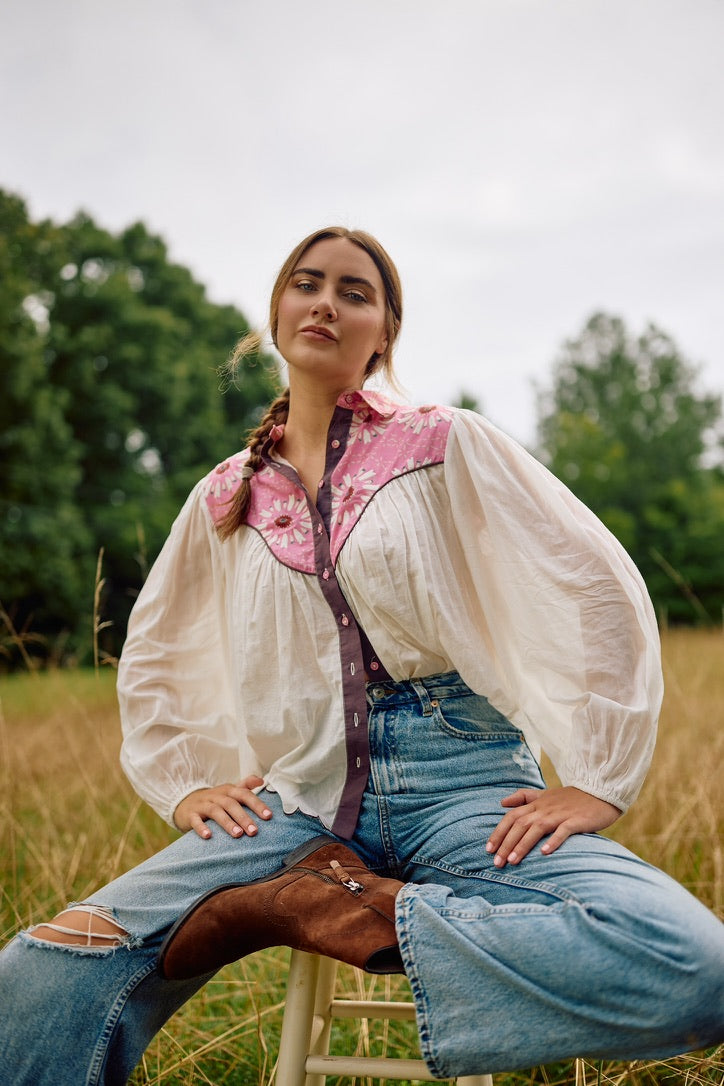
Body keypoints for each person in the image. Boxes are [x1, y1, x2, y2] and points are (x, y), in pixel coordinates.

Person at [1, 226, 722, 1085]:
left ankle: (363, 911)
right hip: (298, 805)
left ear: (383, 332)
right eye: (308, 284)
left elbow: (590, 578)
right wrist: (186, 774)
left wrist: (599, 776)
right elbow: (158, 645)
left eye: (355, 292)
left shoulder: (442, 442)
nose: (327, 303)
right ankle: (295, 896)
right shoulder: (225, 495)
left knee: (695, 965)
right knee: (43, 967)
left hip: (465, 785)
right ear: (276, 313)